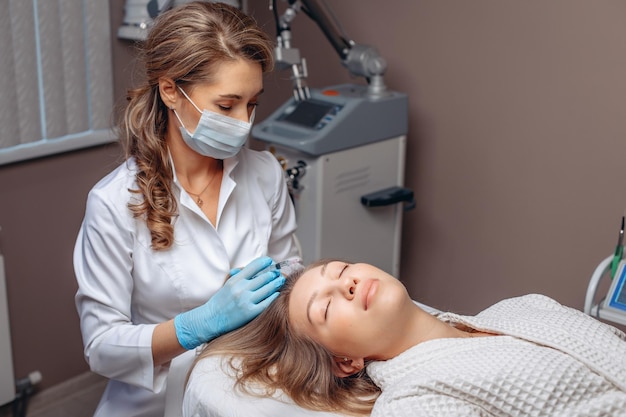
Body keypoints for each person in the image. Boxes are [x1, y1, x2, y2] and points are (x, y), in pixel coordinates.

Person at [73, 2, 301, 416]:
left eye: (252, 104)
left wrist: (285, 285)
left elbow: (291, 269)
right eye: (226, 105)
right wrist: (197, 325)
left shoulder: (265, 173)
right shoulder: (112, 203)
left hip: (253, 384)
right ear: (170, 91)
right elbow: (101, 346)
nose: (244, 123)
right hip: (156, 404)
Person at [184, 259, 626, 417]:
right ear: (345, 362)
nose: (347, 284)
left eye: (340, 270)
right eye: (325, 307)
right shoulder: (414, 402)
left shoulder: (521, 306)